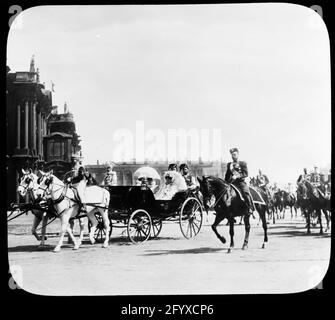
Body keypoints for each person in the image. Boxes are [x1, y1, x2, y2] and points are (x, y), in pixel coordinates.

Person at [224, 148, 255, 215]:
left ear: (238, 154)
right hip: (232, 183)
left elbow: (245, 174)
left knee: (245, 192)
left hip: (240, 183)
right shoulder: (229, 165)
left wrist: (237, 176)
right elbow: (227, 175)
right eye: (232, 155)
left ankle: (250, 207)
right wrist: (225, 182)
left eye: (234, 154)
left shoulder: (242, 163)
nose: (233, 156)